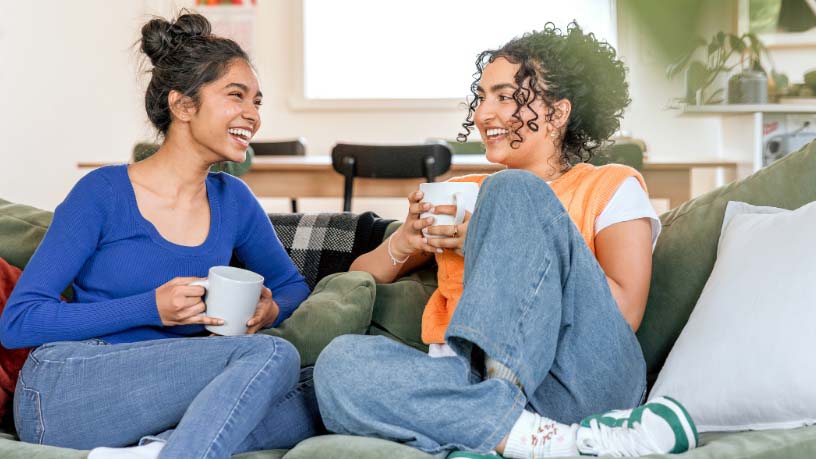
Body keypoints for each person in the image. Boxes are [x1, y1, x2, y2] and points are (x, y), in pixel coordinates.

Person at [313, 22, 698, 458]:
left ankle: (481, 419)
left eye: (504, 96)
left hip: (580, 378)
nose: (482, 114)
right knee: (338, 366)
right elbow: (357, 278)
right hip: (468, 379)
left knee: (512, 189)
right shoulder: (464, 191)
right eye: (481, 97)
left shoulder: (610, 186)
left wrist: (493, 237)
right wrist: (404, 239)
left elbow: (625, 312)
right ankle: (530, 439)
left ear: (557, 113)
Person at [0, 12, 322, 459]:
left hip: (170, 393)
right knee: (273, 357)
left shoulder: (234, 200)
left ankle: (159, 449)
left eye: (258, 102)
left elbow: (290, 286)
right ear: (183, 106)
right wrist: (150, 307)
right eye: (236, 96)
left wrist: (269, 310)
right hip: (68, 387)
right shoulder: (103, 192)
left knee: (323, 388)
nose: (252, 115)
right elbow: (20, 322)